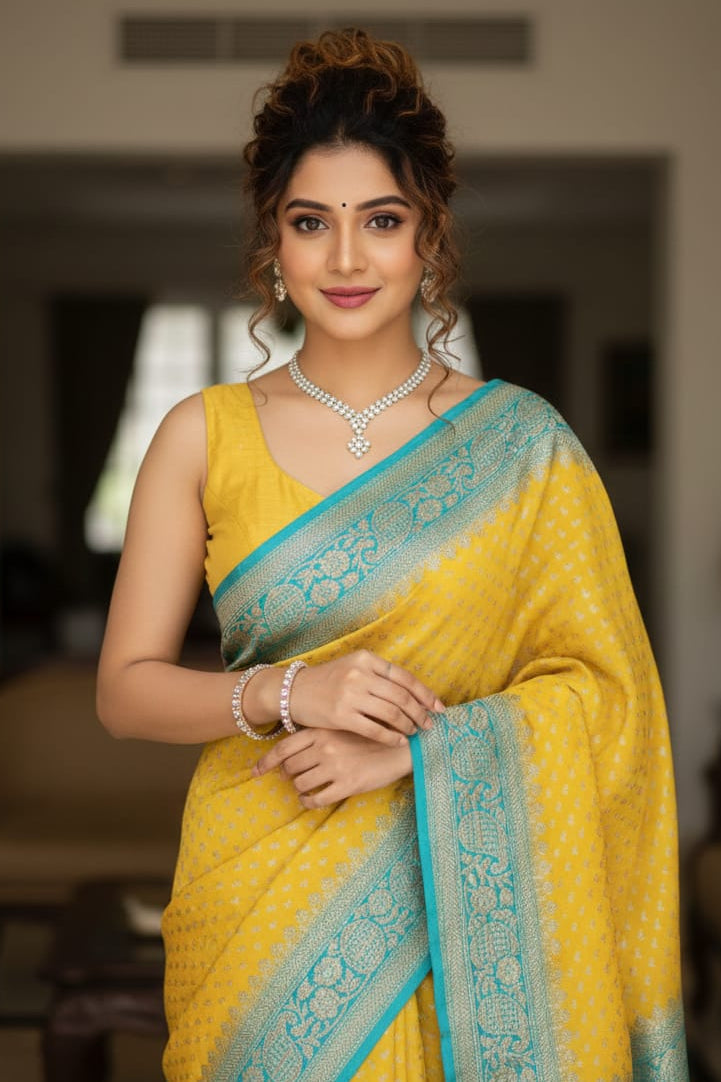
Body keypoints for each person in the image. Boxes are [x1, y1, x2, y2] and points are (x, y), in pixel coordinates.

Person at [96, 27, 689, 1082]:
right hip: (261, 888)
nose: (345, 259)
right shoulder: (202, 433)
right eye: (309, 222)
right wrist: (293, 690)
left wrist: (419, 756)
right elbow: (125, 692)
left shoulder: (522, 446)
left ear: (428, 237)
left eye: (380, 219)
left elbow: (612, 697)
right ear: (272, 242)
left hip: (468, 896)